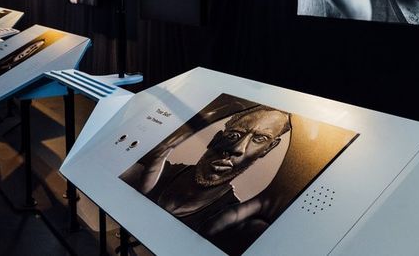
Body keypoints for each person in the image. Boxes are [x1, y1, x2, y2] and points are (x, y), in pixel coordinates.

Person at [120, 106, 291, 253]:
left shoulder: (231, 222)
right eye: (235, 134)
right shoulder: (148, 171)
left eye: (259, 139)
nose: (237, 148)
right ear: (216, 138)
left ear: (268, 149)